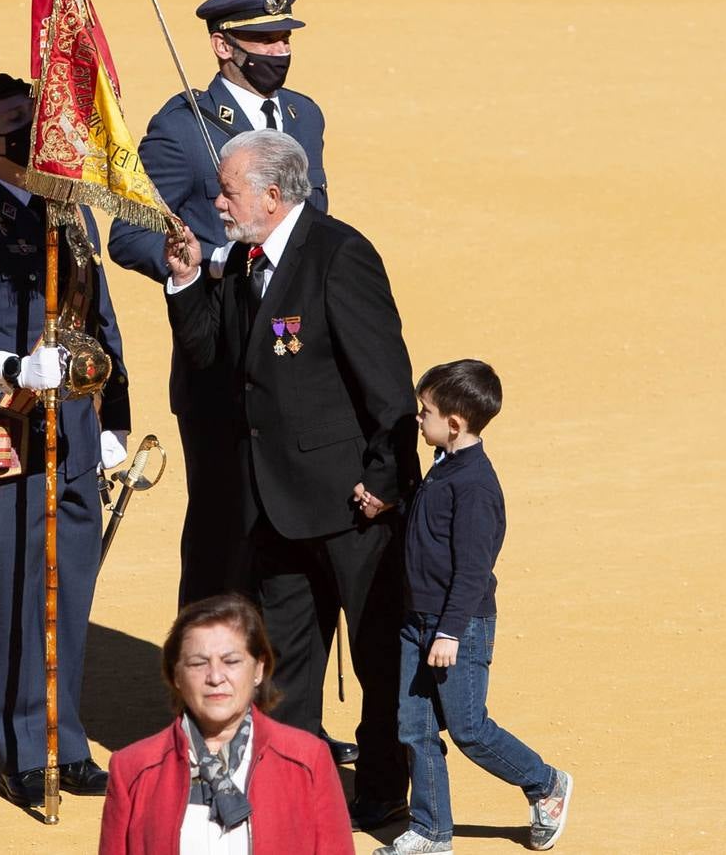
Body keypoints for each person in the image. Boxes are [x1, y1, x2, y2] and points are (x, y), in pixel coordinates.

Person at [164, 128, 420, 830]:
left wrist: (384, 484)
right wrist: (187, 280)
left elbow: (389, 389)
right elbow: (213, 360)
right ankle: (298, 797)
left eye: (227, 190)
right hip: (275, 508)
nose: (215, 203)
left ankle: (380, 792)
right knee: (285, 671)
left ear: (271, 196)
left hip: (352, 510)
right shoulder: (246, 261)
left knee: (376, 659)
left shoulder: (339, 255)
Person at [0, 73, 131, 808]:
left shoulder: (69, 212)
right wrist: (8, 365)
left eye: (32, 116)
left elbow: (98, 319)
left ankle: (65, 738)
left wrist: (112, 422)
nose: (30, 130)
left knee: (70, 591)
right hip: (4, 426)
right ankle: (21, 748)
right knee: (17, 589)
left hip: (73, 429)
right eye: (14, 123)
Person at [108, 0, 327, 606]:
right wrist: (214, 260)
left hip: (297, 350)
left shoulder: (305, 117)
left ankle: (280, 690)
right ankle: (203, 686)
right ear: (221, 47)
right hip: (219, 351)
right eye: (263, 38)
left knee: (296, 521)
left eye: (285, 36)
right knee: (222, 533)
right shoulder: (182, 128)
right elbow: (129, 235)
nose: (279, 49)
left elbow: (319, 217)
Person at [374, 361, 573, 855]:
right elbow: (431, 531)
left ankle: (545, 783)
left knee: (468, 728)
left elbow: (472, 570)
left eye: (426, 413)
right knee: (414, 728)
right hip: (417, 623)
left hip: (457, 626)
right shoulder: (444, 465)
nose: (418, 420)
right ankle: (432, 831)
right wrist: (392, 505)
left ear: (455, 424)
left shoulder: (477, 487)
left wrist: (450, 632)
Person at [99, 594, 353, 854]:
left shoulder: (308, 761)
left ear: (258, 670)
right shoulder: (132, 770)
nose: (216, 677)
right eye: (198, 663)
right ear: (176, 675)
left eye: (231, 661)